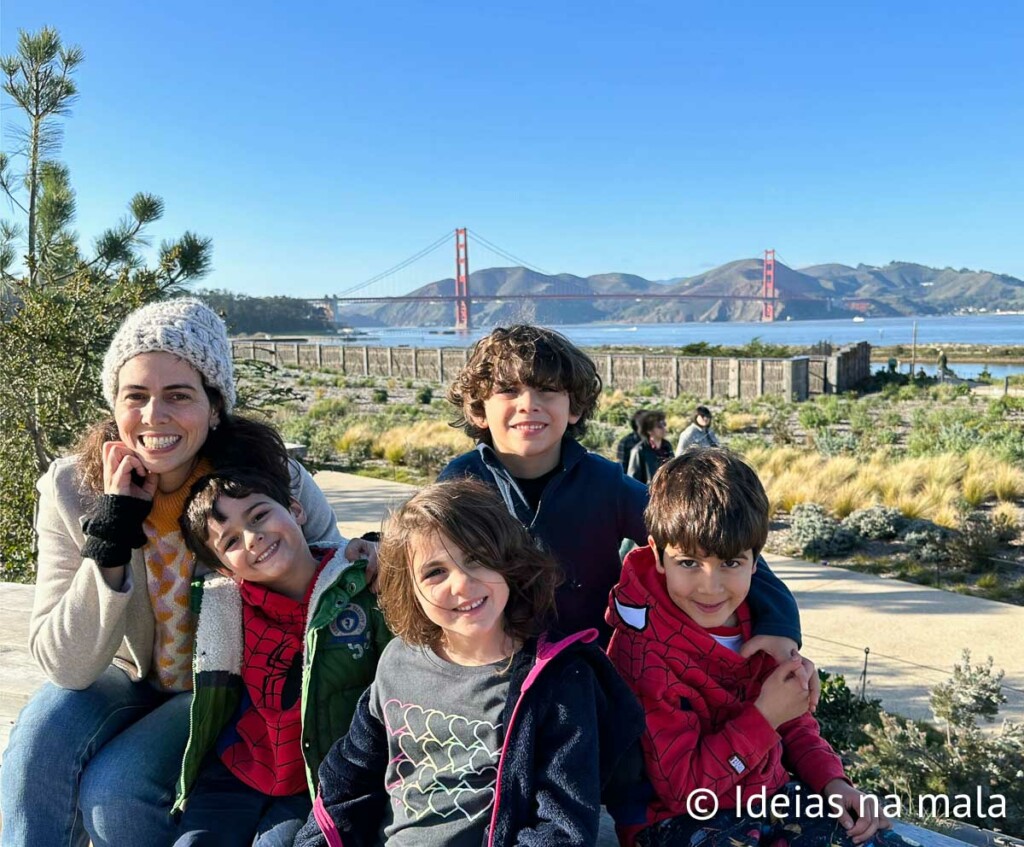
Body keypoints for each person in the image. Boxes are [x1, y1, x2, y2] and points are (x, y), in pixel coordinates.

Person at [0, 299, 361, 847]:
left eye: (179, 396)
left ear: (215, 407)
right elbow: (65, 665)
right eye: (135, 397)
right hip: (119, 674)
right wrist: (113, 534)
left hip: (230, 687)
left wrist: (379, 550)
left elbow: (334, 580)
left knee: (116, 792)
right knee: (37, 739)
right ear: (113, 407)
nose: (154, 416)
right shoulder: (72, 490)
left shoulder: (267, 479)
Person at [294, 478, 646, 847]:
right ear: (408, 589)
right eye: (435, 572)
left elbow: (560, 826)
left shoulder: (558, 682)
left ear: (509, 562)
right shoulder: (397, 660)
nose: (462, 584)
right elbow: (348, 778)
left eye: (477, 558)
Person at [438, 325, 805, 661]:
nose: (529, 403)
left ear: (575, 408)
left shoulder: (604, 483)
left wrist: (779, 623)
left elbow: (711, 535)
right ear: (478, 410)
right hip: (493, 676)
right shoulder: (459, 484)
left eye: (548, 390)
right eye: (508, 390)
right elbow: (414, 558)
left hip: (594, 679)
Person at [607, 449, 907, 847]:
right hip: (675, 820)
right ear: (659, 556)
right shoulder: (643, 655)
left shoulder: (762, 625)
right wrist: (764, 717)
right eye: (689, 563)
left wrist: (832, 780)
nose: (711, 587)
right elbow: (684, 792)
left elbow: (794, 718)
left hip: (769, 797)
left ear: (755, 560)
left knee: (868, 836)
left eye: (731, 563)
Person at [172, 468, 390, 846]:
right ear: (224, 567)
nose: (253, 538)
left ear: (296, 509)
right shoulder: (223, 606)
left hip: (317, 778)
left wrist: (383, 548)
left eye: (259, 516)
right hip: (237, 770)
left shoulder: (361, 588)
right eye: (231, 541)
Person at [627, 409, 674, 484]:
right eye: (659, 426)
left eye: (664, 424)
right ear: (649, 430)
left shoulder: (667, 446)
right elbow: (633, 480)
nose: (664, 428)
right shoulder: (639, 450)